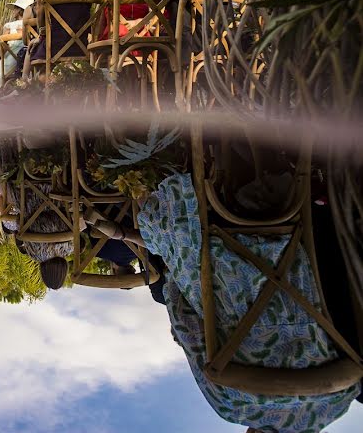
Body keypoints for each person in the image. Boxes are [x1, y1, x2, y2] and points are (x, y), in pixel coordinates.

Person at [88, 172, 361, 432]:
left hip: (295, 254)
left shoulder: (342, 397)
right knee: (165, 248)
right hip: (215, 250)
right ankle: (168, 170)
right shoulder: (231, 406)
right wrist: (173, 290)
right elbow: (188, 327)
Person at [21, 0, 94, 79]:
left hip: (53, 48)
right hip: (81, 47)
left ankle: (26, 87)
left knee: (32, 49)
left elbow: (41, 24)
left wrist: (40, 36)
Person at [0, 0, 37, 93]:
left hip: (10, 57)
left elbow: (3, 48)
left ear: (20, 10)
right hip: (28, 56)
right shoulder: (32, 23)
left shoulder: (9, 26)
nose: (13, 10)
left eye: (15, 8)